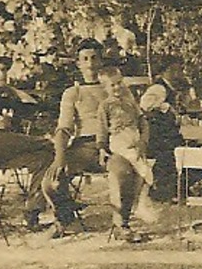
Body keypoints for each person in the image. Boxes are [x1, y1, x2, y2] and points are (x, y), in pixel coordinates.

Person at [0, 56, 58, 229]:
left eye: (4, 70)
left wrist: (14, 90)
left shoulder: (7, 95)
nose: (2, 74)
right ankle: (62, 203)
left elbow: (34, 106)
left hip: (13, 148)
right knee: (50, 145)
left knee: (45, 158)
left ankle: (32, 211)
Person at [40, 38, 110, 237]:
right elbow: (64, 129)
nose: (90, 63)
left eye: (94, 58)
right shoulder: (73, 93)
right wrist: (59, 157)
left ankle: (122, 223)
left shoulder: (113, 88)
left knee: (125, 172)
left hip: (113, 145)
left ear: (102, 61)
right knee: (50, 181)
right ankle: (66, 219)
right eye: (85, 59)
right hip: (85, 147)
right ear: (78, 63)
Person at [96, 65, 155, 240]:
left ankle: (138, 204)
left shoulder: (130, 102)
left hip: (134, 141)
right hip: (120, 143)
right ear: (105, 88)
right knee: (143, 171)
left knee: (141, 173)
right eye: (112, 85)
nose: (117, 87)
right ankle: (140, 206)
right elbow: (102, 129)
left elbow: (142, 121)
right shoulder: (105, 106)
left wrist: (144, 140)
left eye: (119, 83)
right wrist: (101, 149)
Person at [139, 80, 183, 201]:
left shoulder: (164, 112)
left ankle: (168, 189)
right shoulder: (156, 116)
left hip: (165, 147)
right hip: (160, 148)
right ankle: (165, 190)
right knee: (168, 159)